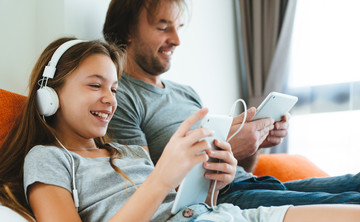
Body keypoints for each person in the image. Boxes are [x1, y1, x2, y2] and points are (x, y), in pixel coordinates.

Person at [1, 36, 359, 222]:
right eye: (95, 85)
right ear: (50, 94)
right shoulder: (47, 158)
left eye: (113, 87)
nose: (110, 98)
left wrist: (215, 179)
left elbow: (178, 200)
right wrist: (161, 177)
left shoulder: (125, 150)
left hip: (223, 213)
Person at [103, 0, 360, 209]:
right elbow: (146, 191)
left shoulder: (186, 93)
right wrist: (228, 148)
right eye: (163, 27)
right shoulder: (120, 98)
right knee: (348, 204)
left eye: (178, 26)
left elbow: (239, 168)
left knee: (354, 182)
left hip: (251, 182)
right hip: (221, 200)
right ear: (128, 30)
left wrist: (254, 141)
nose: (177, 39)